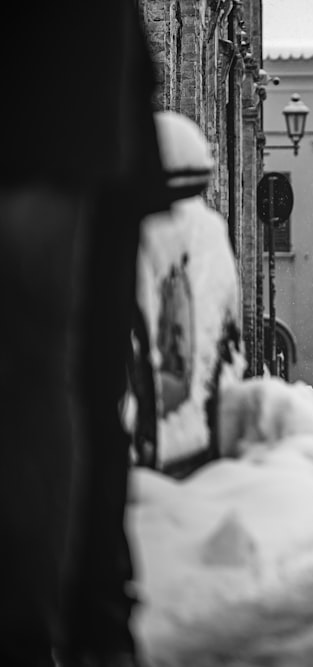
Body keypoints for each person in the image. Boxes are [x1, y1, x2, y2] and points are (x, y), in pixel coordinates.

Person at [0, 3, 168, 665]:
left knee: (57, 385)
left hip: (65, 108)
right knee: (72, 390)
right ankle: (89, 628)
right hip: (80, 106)